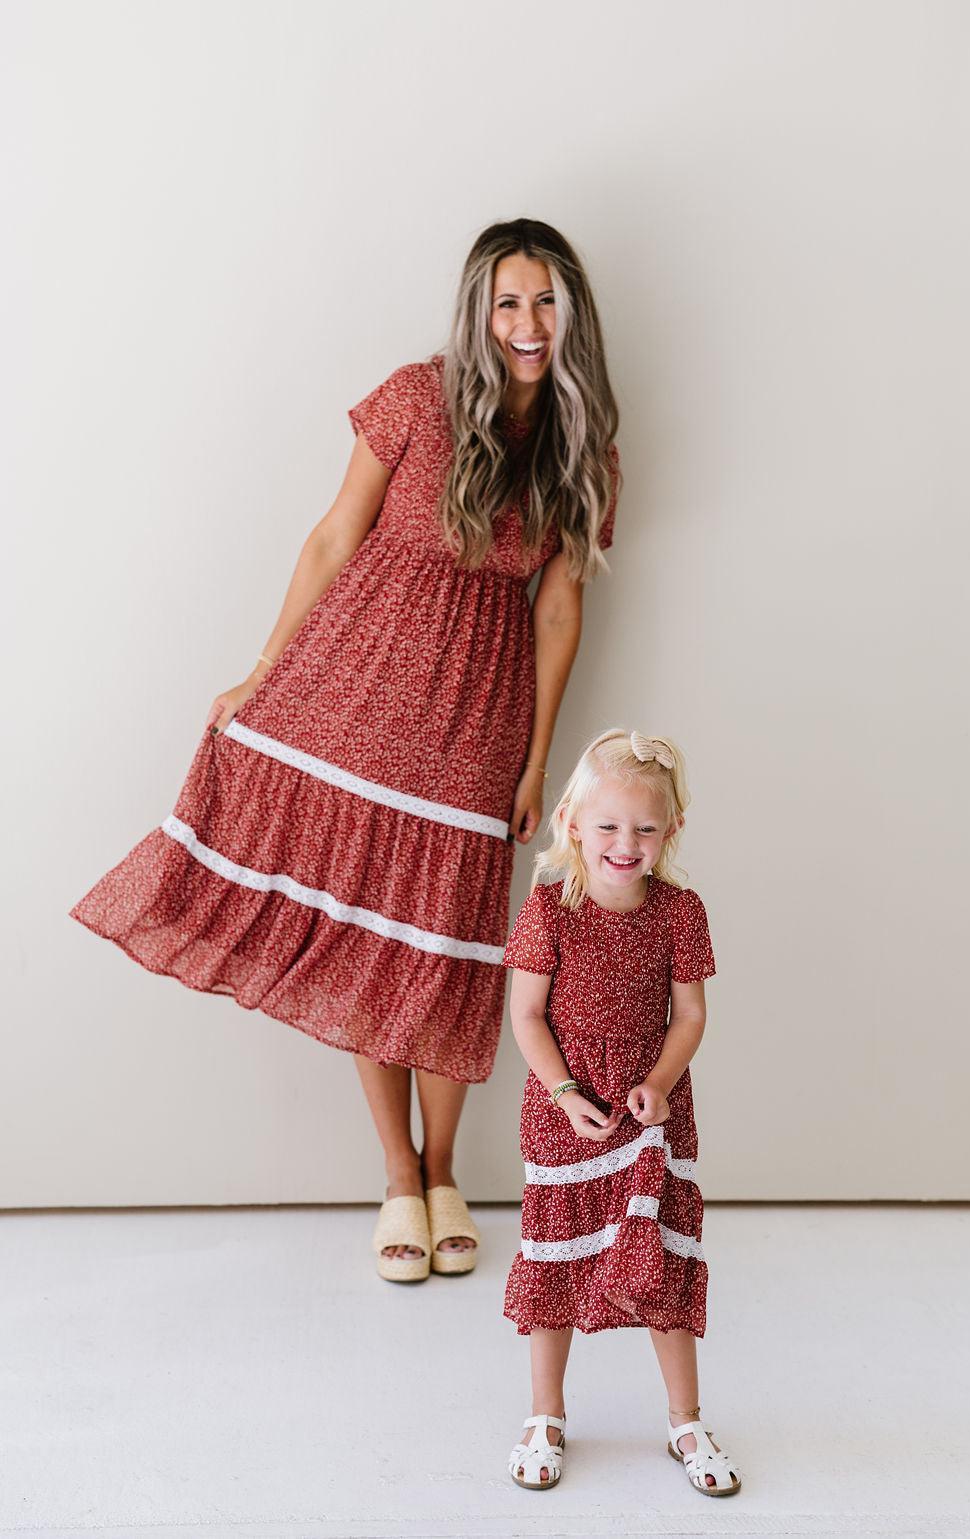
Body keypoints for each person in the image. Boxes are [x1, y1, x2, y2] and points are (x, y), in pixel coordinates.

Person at [70, 219, 620, 1283]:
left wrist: (537, 761)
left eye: (545, 302)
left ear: (572, 315)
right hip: (359, 688)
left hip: (477, 718)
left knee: (446, 948)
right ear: (479, 312)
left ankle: (446, 1170)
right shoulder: (415, 399)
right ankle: (398, 1177)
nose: (526, 324)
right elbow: (334, 535)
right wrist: (262, 672)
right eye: (508, 303)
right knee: (372, 939)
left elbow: (559, 610)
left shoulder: (582, 449)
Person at [502, 728, 741, 1496]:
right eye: (607, 824)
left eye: (644, 827)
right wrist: (566, 1093)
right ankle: (545, 1413)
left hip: (650, 1111)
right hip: (567, 1108)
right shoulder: (550, 909)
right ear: (572, 822)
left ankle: (685, 1419)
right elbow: (527, 1016)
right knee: (557, 1259)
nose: (625, 843)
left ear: (671, 829)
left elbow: (690, 1015)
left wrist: (660, 1082)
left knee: (661, 1257)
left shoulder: (680, 911)